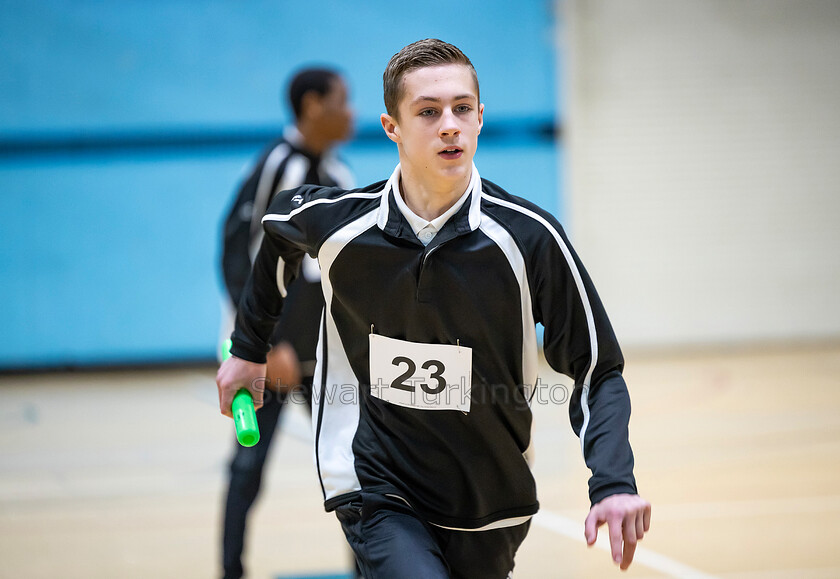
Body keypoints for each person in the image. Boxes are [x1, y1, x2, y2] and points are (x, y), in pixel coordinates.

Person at [217, 39, 651, 578]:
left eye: (461, 108)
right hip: (378, 486)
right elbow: (276, 234)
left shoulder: (530, 238)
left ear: (480, 117)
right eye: (428, 111)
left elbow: (598, 370)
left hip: (491, 500)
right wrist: (249, 348)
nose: (449, 125)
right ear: (391, 126)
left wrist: (612, 482)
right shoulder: (344, 225)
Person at [218, 66, 354, 579]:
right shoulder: (277, 166)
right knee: (248, 464)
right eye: (344, 100)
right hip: (270, 357)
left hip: (322, 356)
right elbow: (238, 254)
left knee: (353, 464)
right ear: (314, 106)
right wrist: (261, 346)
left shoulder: (339, 177)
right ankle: (230, 571)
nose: (352, 111)